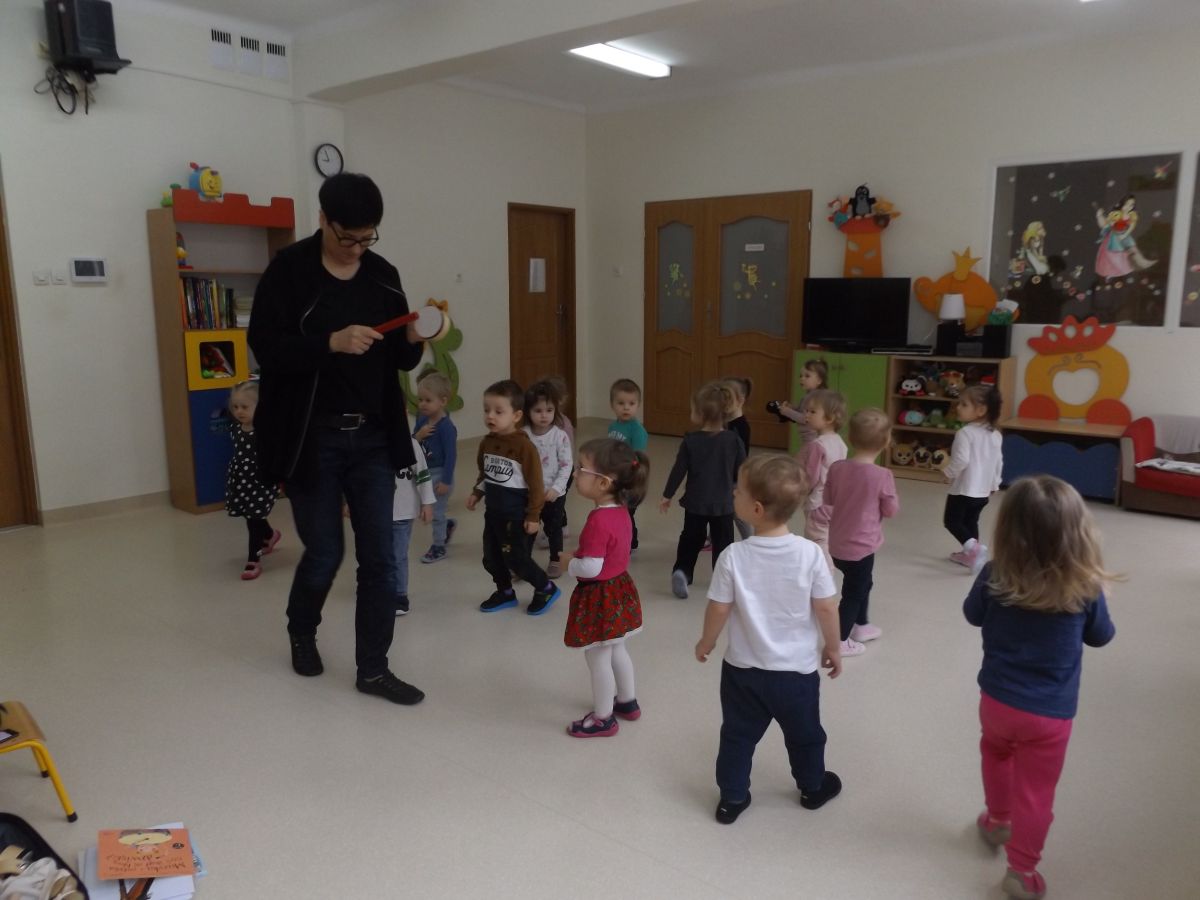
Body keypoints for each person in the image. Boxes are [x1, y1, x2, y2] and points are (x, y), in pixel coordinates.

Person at [247, 172, 425, 706]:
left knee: (381, 560)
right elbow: (266, 348)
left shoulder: (382, 276)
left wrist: (417, 338)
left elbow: (401, 359)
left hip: (372, 437)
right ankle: (302, 630)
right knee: (325, 552)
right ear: (324, 220)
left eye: (367, 238)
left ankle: (373, 669)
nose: (357, 248)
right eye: (348, 237)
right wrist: (330, 342)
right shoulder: (289, 271)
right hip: (312, 439)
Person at [964, 476, 1116, 900]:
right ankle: (1022, 871)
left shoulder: (995, 573)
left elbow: (972, 615)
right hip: (1050, 714)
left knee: (995, 755)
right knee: (1036, 792)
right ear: (1078, 532)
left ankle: (998, 821)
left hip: (996, 701)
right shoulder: (1084, 585)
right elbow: (1102, 636)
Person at [694, 453, 843, 824]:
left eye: (738, 490)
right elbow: (827, 608)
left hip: (742, 671)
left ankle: (732, 798)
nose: (733, 492)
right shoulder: (810, 554)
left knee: (737, 736)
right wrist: (833, 646)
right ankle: (812, 787)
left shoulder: (733, 556)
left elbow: (718, 609)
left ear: (756, 509)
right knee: (806, 735)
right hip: (796, 675)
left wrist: (706, 642)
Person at [563, 438, 649, 738]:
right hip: (619, 589)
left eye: (581, 469)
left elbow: (591, 568)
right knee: (617, 648)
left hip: (600, 595)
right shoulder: (622, 510)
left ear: (603, 483)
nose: (575, 474)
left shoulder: (598, 520)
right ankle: (627, 701)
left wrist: (569, 563)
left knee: (597, 656)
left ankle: (603, 717)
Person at [466, 379, 561, 615]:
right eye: (487, 410)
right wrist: (477, 492)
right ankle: (505, 592)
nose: (490, 415)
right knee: (491, 558)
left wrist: (533, 516)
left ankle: (546, 588)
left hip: (516, 516)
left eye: (499, 411)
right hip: (493, 513)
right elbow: (485, 474)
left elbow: (536, 485)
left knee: (516, 559)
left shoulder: (524, 447)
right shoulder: (487, 443)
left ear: (516, 415)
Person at [815, 408, 899, 657]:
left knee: (863, 583)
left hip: (837, 542)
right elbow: (891, 510)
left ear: (850, 438)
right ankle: (839, 642)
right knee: (854, 592)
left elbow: (829, 499)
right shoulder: (882, 475)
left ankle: (861, 625)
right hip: (862, 547)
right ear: (886, 441)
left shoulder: (837, 468)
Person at [660, 382, 746, 599]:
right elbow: (744, 471)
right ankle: (723, 579)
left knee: (690, 539)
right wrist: (745, 493)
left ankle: (682, 571)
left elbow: (678, 470)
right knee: (723, 542)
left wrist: (667, 495)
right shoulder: (733, 440)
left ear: (699, 414)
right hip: (723, 504)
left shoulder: (691, 441)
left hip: (695, 503)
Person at [224, 379, 280, 581]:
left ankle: (253, 560)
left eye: (245, 407)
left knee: (254, 520)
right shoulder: (236, 428)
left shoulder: (264, 431)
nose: (239, 411)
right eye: (235, 407)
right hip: (241, 479)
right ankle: (270, 535)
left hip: (261, 481)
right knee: (251, 515)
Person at [943, 385, 1004, 570]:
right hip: (983, 490)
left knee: (952, 521)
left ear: (981, 410)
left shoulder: (965, 433)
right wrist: (995, 484)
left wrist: (948, 472)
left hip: (964, 489)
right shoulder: (995, 434)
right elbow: (998, 462)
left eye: (964, 404)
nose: (958, 407)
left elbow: (961, 460)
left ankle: (973, 549)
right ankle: (971, 554)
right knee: (971, 521)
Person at [523, 380, 573, 579]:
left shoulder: (560, 436)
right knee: (528, 528)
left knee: (554, 529)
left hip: (553, 494)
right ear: (528, 411)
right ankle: (523, 561)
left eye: (549, 410)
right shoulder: (523, 435)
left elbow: (566, 465)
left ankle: (555, 559)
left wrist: (557, 488)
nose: (544, 415)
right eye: (538, 410)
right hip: (529, 495)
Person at [414, 370, 458, 565]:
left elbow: (451, 456)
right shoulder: (422, 420)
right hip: (425, 473)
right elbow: (413, 442)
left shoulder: (446, 427)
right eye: (420, 399)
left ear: (443, 401)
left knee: (436, 512)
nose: (422, 404)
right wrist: (419, 435)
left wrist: (446, 481)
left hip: (440, 475)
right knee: (425, 508)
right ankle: (447, 526)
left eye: (428, 400)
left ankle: (439, 546)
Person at [799, 389, 848, 563]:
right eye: (806, 410)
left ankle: (824, 569)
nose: (807, 415)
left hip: (817, 502)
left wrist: (800, 493)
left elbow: (810, 477)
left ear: (829, 418)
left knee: (816, 540)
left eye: (813, 412)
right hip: (834, 501)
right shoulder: (840, 442)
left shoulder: (816, 445)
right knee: (826, 535)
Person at [392, 435, 435, 616]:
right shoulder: (369, 439)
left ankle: (400, 595)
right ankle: (379, 588)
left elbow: (423, 473)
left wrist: (427, 503)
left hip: (402, 511)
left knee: (398, 555)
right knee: (377, 554)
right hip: (375, 512)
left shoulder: (410, 443)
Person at [607, 378, 649, 550]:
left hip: (630, 479)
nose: (626, 408)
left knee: (626, 511)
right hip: (615, 476)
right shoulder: (613, 427)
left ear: (638, 405)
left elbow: (638, 458)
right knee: (615, 508)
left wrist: (630, 478)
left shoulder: (637, 430)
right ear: (612, 405)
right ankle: (618, 536)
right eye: (621, 403)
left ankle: (631, 541)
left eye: (631, 403)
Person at [770, 357, 827, 447]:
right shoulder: (809, 395)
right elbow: (802, 410)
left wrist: (787, 412)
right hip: (807, 438)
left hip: (811, 439)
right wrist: (792, 408)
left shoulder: (814, 398)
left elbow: (805, 418)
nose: (802, 379)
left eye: (807, 376)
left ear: (819, 380)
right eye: (801, 376)